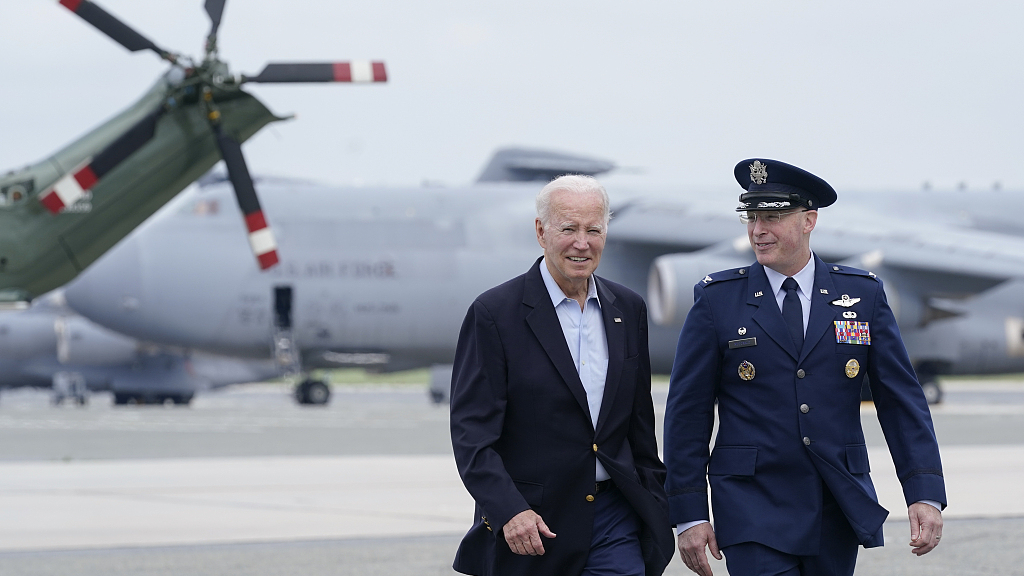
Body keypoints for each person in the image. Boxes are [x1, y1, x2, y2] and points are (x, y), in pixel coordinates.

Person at [663, 159, 946, 576]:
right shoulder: (716, 299)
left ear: (809, 219)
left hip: (836, 503)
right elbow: (687, 413)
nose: (758, 230)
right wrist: (688, 512)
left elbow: (901, 401)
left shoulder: (861, 295)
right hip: (750, 507)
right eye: (751, 217)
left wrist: (924, 492)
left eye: (772, 217)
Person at [449, 174, 674, 576]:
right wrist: (509, 510)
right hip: (535, 526)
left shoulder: (628, 308)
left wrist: (653, 499)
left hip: (614, 518)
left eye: (593, 230)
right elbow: (472, 435)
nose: (581, 243)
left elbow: (639, 425)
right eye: (568, 228)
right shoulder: (495, 314)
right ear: (541, 231)